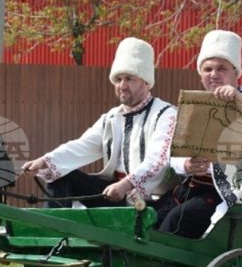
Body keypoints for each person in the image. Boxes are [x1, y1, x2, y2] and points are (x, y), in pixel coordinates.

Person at [22, 37, 177, 207]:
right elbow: (82, 146)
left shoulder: (165, 114)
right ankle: (52, 229)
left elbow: (157, 162)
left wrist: (125, 185)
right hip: (114, 192)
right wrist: (44, 161)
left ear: (146, 82)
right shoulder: (112, 117)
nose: (122, 85)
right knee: (60, 173)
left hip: (147, 199)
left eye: (129, 78)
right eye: (118, 79)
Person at [157, 30, 242, 238]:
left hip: (231, 194)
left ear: (236, 73)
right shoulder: (196, 104)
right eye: (208, 69)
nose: (214, 74)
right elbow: (173, 153)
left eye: (221, 68)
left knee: (176, 220)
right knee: (150, 216)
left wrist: (240, 99)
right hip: (192, 188)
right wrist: (186, 165)